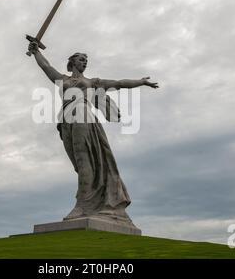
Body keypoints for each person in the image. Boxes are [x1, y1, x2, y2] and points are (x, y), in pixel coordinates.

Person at [28, 41, 159, 226]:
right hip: (65, 122)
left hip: (83, 116)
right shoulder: (62, 79)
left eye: (85, 61)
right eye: (81, 59)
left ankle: (82, 204)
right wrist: (35, 52)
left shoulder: (92, 82)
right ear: (72, 62)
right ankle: (88, 199)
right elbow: (46, 66)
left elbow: (119, 83)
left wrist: (141, 82)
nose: (84, 63)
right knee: (77, 163)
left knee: (84, 160)